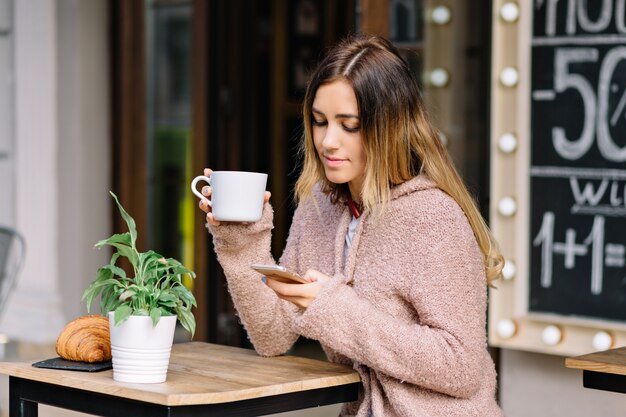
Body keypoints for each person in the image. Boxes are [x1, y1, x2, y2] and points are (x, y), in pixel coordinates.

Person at [198, 34, 504, 417]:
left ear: (389, 126)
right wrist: (241, 242)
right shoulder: (319, 209)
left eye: (350, 125)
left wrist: (335, 308)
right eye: (319, 121)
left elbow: (460, 367)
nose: (328, 141)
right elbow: (272, 336)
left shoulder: (434, 218)